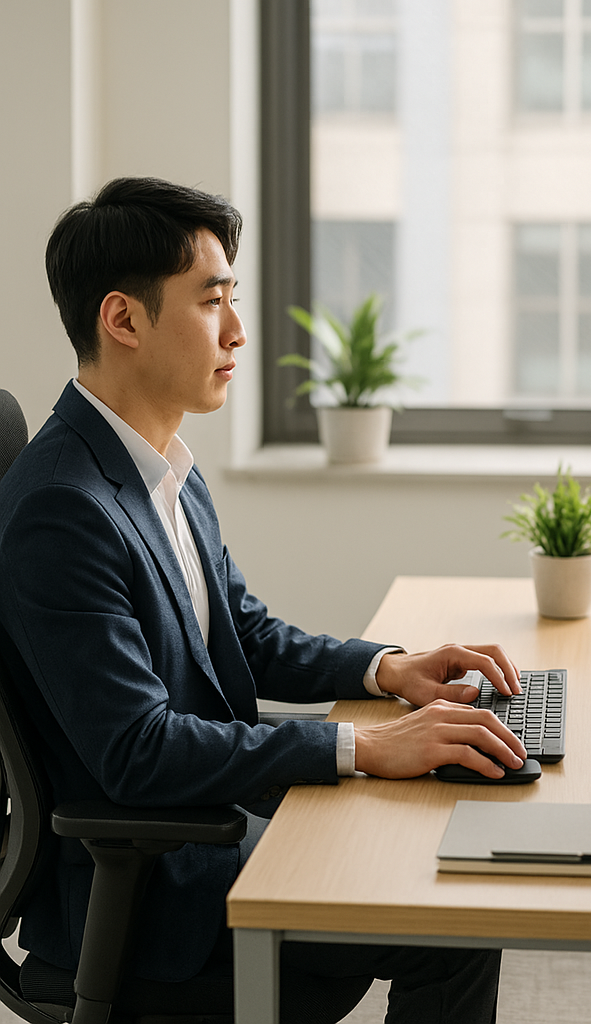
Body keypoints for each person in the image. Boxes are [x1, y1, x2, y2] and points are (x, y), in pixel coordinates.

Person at [0, 177, 525, 1022]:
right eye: (212, 304)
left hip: (208, 830)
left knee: (432, 844)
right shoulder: (64, 508)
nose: (238, 332)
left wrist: (391, 670)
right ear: (123, 320)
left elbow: (242, 633)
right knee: (450, 918)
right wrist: (358, 747)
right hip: (153, 904)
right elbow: (137, 751)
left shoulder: (159, 462)